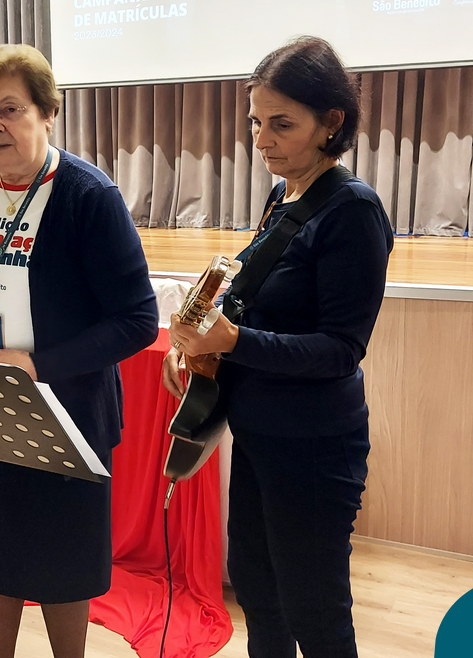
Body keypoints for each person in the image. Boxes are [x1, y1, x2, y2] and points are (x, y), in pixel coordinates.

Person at [163, 36, 393, 658]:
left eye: (281, 124)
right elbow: (255, 304)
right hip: (259, 434)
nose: (262, 140)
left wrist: (234, 339)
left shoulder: (352, 210)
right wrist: (199, 348)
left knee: (315, 617)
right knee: (260, 599)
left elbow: (340, 350)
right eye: (255, 122)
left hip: (314, 448)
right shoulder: (283, 194)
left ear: (331, 122)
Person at [0, 43, 158, 658]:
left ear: (47, 114)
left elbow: (138, 320)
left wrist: (37, 367)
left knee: (65, 569)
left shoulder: (88, 196)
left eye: (10, 109)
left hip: (67, 418)